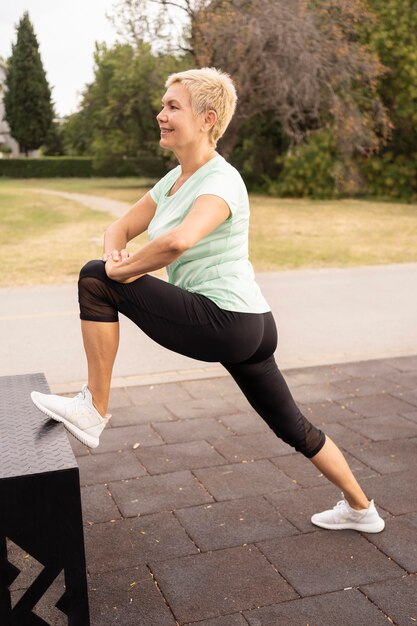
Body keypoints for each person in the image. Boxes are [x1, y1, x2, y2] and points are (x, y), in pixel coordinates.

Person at [31, 67, 384, 533]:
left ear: (207, 118)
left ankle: (93, 409)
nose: (161, 114)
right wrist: (115, 254)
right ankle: (362, 509)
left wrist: (118, 269)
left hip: (226, 320)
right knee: (290, 425)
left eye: (173, 106)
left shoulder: (222, 181)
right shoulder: (174, 181)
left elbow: (179, 241)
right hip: (252, 323)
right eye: (163, 105)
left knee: (95, 280)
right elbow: (117, 228)